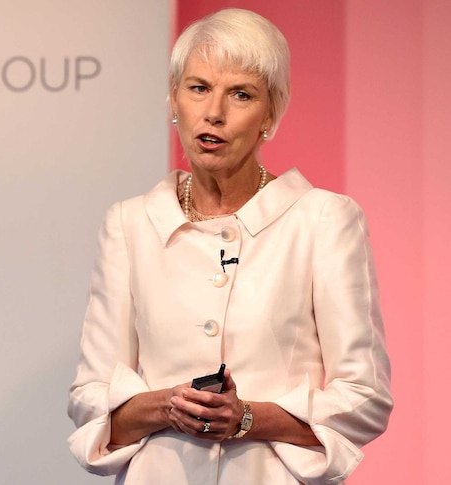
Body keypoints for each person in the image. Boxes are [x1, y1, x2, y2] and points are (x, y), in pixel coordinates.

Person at [66, 8, 392, 485]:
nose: (213, 111)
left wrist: (247, 418)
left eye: (240, 94)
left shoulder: (322, 219)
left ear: (271, 114)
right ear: (174, 100)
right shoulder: (130, 223)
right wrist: (164, 406)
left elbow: (365, 397)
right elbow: (88, 395)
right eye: (198, 88)